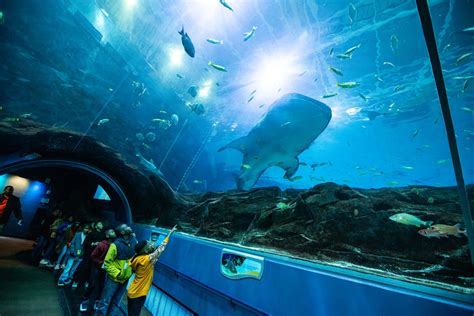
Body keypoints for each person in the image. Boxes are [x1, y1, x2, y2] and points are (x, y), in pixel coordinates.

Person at [127, 225, 177, 316]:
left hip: (131, 291)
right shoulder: (147, 260)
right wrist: (170, 233)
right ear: (145, 251)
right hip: (138, 294)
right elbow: (161, 248)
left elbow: (138, 248)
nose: (151, 244)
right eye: (149, 245)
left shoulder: (135, 258)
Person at [95, 224, 137, 316]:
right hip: (113, 278)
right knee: (105, 300)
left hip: (125, 278)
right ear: (122, 232)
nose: (129, 227)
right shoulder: (115, 245)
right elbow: (107, 262)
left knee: (116, 301)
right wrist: (117, 273)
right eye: (126, 227)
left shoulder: (133, 241)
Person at [80, 228, 116, 312]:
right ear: (107, 235)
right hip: (97, 267)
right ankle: (84, 301)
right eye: (111, 231)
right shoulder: (101, 245)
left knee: (101, 286)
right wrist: (101, 263)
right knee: (92, 284)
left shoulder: (114, 245)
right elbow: (93, 256)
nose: (113, 232)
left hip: (106, 269)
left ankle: (97, 301)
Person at [72, 221, 104, 288]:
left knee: (90, 269)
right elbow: (85, 243)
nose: (101, 225)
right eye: (99, 223)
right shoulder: (91, 233)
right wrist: (93, 243)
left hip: (96, 255)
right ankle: (76, 280)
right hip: (89, 253)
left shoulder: (103, 235)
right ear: (96, 226)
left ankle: (86, 281)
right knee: (83, 267)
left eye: (101, 224)